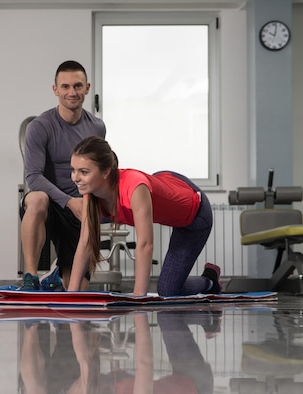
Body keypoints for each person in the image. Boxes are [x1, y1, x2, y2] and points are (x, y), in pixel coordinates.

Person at [67, 136, 221, 296]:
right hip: (163, 182)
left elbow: (145, 244)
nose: (75, 178)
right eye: (73, 170)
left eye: (84, 172)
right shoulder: (91, 192)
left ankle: (209, 280)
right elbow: (85, 243)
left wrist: (138, 296)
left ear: (106, 171)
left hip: (195, 212)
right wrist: (70, 295)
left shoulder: (135, 188)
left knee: (168, 290)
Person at [20, 60, 107, 291]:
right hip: (49, 202)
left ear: (87, 88)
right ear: (55, 90)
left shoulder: (97, 127)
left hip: (80, 205)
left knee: (75, 291)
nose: (72, 92)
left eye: (78, 86)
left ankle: (57, 278)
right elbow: (33, 177)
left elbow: (100, 172)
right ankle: (30, 276)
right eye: (65, 86)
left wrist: (93, 204)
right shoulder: (40, 126)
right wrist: (69, 202)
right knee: (37, 198)